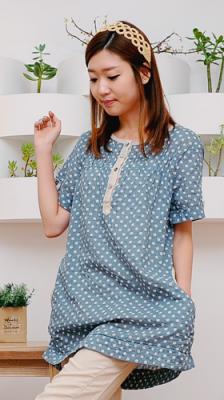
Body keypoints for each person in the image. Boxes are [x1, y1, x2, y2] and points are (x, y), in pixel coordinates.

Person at [33, 20, 205, 399]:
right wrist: (44, 150)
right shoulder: (89, 147)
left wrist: (184, 302)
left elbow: (183, 232)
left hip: (142, 307)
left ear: (143, 73)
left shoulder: (181, 146)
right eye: (93, 79)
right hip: (80, 303)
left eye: (111, 76)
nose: (101, 89)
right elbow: (52, 224)